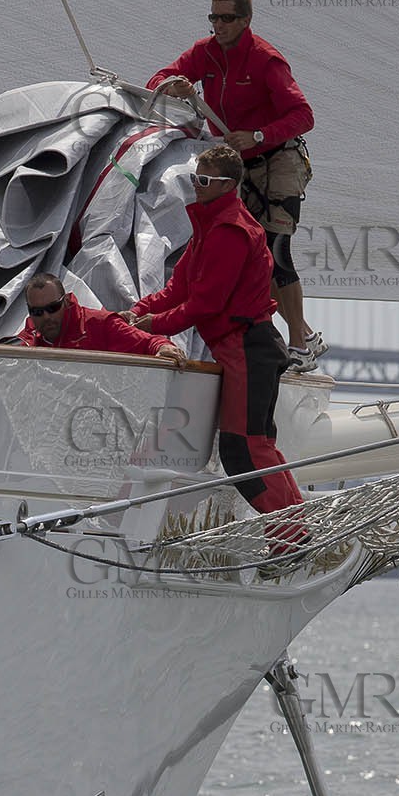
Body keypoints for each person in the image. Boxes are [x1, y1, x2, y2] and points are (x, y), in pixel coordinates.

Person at [128, 144, 306, 556]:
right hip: (244, 346)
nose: (196, 187)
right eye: (195, 179)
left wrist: (153, 325)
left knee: (243, 450)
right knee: (257, 445)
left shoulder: (230, 229)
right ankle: (297, 533)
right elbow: (180, 288)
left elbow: (207, 304)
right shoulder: (210, 225)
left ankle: (290, 540)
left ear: (228, 185)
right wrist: (137, 310)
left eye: (204, 181)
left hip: (247, 345)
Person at [147, 0, 324, 371]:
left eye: (226, 18)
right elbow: (157, 79)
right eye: (213, 18)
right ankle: (305, 332)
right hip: (238, 165)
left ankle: (298, 344)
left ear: (245, 21)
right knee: (254, 255)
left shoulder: (266, 60)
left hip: (279, 159)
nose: (218, 25)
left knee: (276, 249)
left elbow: (303, 115)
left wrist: (258, 135)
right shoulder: (204, 52)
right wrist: (173, 84)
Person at [19, 274, 186, 363]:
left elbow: (149, 342)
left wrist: (163, 348)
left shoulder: (100, 324)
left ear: (67, 301)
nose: (46, 316)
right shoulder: (29, 337)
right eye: (38, 312)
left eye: (53, 307)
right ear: (29, 311)